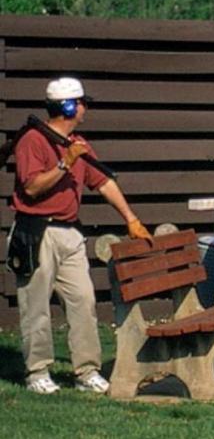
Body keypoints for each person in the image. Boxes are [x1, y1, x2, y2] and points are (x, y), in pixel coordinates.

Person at [8, 77, 152, 395]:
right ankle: (37, 372)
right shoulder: (32, 140)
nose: (85, 108)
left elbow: (103, 182)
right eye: (82, 102)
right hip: (37, 230)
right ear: (70, 106)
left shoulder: (78, 142)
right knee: (36, 305)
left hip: (70, 232)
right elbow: (32, 188)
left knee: (84, 301)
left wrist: (131, 219)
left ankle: (86, 370)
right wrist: (65, 162)